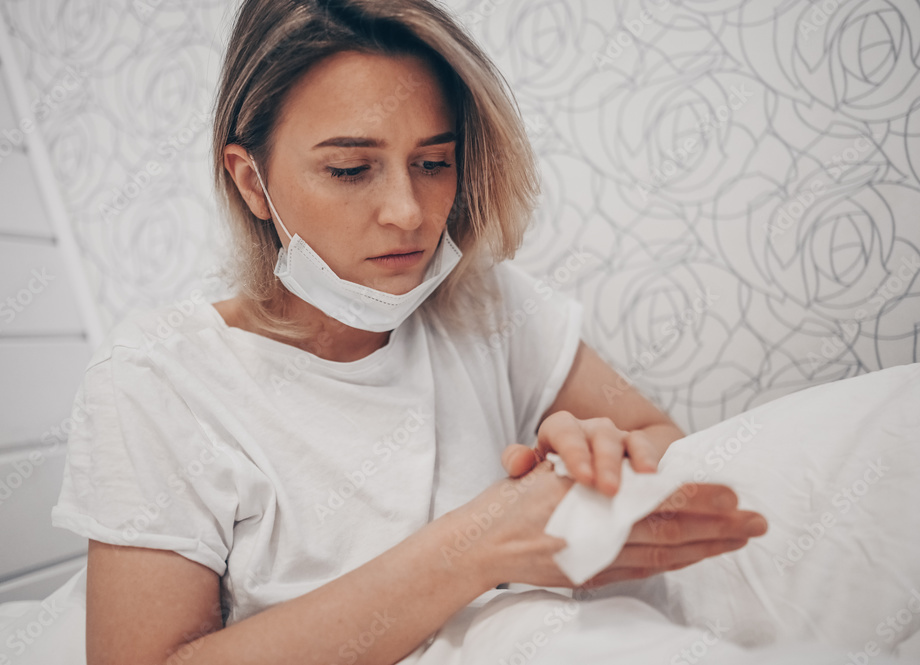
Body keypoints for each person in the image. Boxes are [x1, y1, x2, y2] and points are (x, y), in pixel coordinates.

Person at [52, 1, 768, 664]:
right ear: (250, 180)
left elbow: (662, 439)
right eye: (351, 168)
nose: (408, 210)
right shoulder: (156, 381)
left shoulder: (488, 306)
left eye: (433, 163)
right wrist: (480, 544)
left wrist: (600, 466)